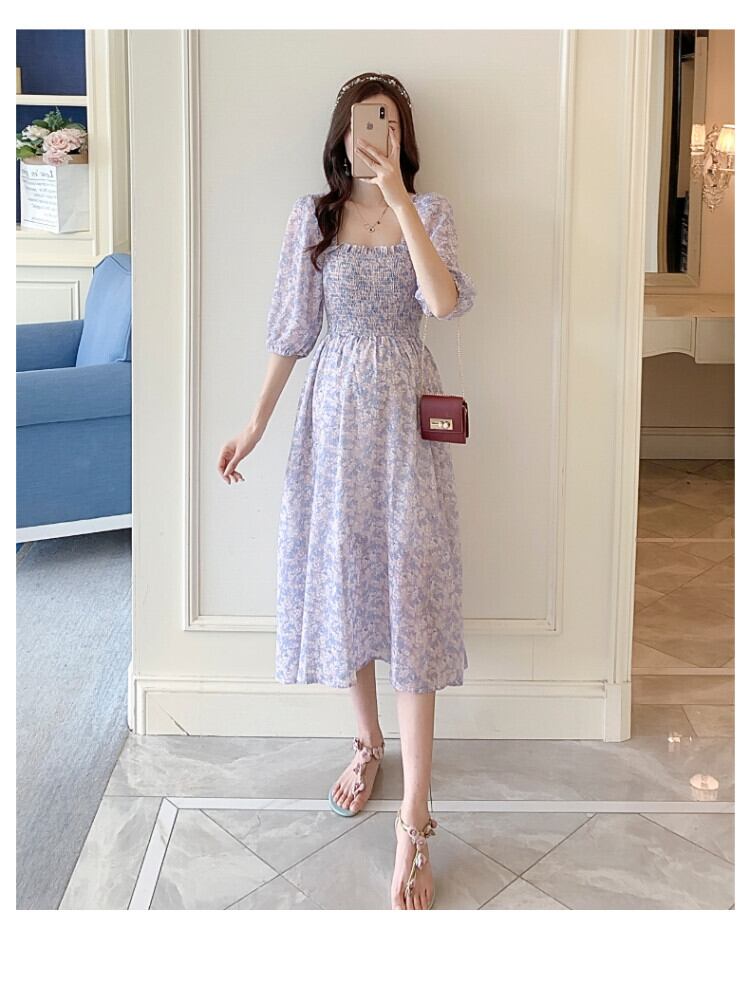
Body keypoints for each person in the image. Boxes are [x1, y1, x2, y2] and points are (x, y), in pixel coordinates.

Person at [217, 72, 476, 910]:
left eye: (390, 121)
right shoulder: (314, 217)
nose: (377, 132)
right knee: (348, 584)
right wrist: (254, 422)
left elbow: (443, 303)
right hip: (331, 422)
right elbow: (292, 332)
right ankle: (367, 744)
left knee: (412, 595)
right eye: (367, 120)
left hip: (405, 427)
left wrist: (399, 199)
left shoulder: (429, 212)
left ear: (404, 135)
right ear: (343, 131)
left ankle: (416, 818)